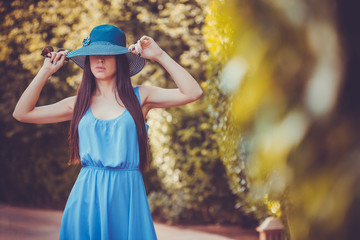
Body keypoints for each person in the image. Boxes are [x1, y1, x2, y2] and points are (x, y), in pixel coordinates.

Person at [12, 24, 203, 240]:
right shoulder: (77, 104)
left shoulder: (142, 97)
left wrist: (159, 55)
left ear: (120, 60)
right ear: (87, 60)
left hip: (128, 197)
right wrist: (45, 71)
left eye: (107, 55)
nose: (100, 60)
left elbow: (193, 92)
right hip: (86, 196)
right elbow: (22, 113)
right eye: (94, 55)